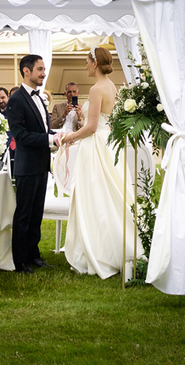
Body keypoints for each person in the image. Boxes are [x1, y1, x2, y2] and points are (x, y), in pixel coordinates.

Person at [59, 49, 131, 278]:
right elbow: (102, 121)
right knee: (107, 195)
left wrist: (68, 137)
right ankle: (114, 245)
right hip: (106, 143)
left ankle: (100, 250)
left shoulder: (96, 88)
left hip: (95, 147)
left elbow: (91, 128)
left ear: (95, 63)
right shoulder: (111, 85)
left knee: (94, 198)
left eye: (87, 61)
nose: (85, 65)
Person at [3, 53, 58, 274]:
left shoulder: (39, 96)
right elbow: (22, 136)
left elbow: (43, 130)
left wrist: (59, 136)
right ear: (26, 71)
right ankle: (19, 260)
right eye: (40, 69)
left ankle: (33, 254)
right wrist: (49, 139)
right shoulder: (16, 100)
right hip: (26, 166)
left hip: (41, 164)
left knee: (36, 213)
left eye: (44, 69)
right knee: (24, 214)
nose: (44, 73)